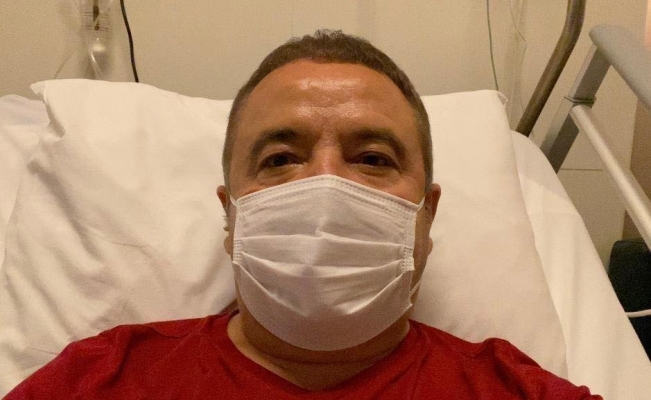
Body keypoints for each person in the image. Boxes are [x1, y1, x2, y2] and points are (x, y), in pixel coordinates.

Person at [4, 30, 601, 399]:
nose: (325, 184)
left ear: (427, 215)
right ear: (231, 218)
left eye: (373, 158)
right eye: (280, 159)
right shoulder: (100, 381)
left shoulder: (513, 390)